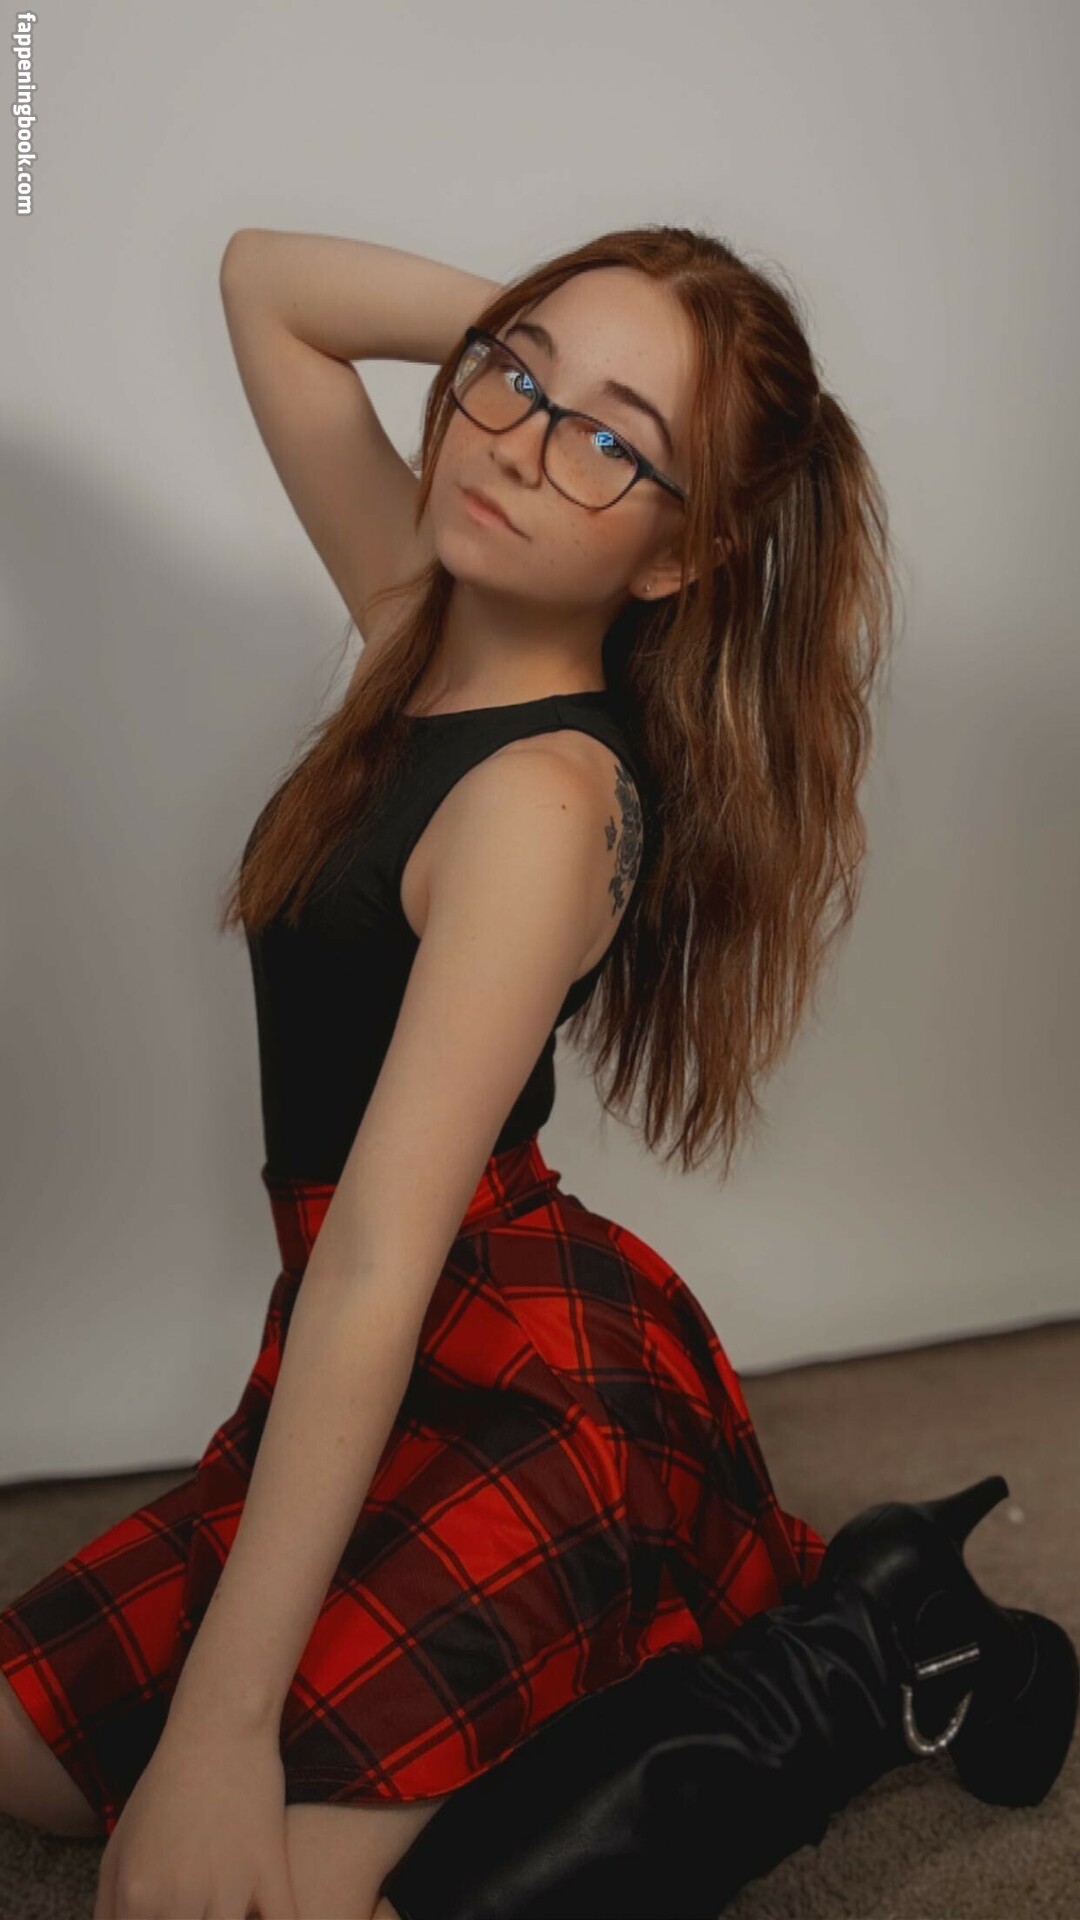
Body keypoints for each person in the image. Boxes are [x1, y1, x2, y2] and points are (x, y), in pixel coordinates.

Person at [0, 224, 1074, 1920]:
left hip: (523, 1379)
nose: (511, 441)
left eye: (611, 445)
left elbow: (380, 1256)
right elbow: (266, 286)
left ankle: (858, 1657)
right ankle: (623, 1672)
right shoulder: (418, 617)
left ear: (676, 552)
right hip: (365, 1348)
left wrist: (222, 1729)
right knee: (35, 1760)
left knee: (246, 1883)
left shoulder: (544, 804)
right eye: (511, 377)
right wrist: (559, 376)